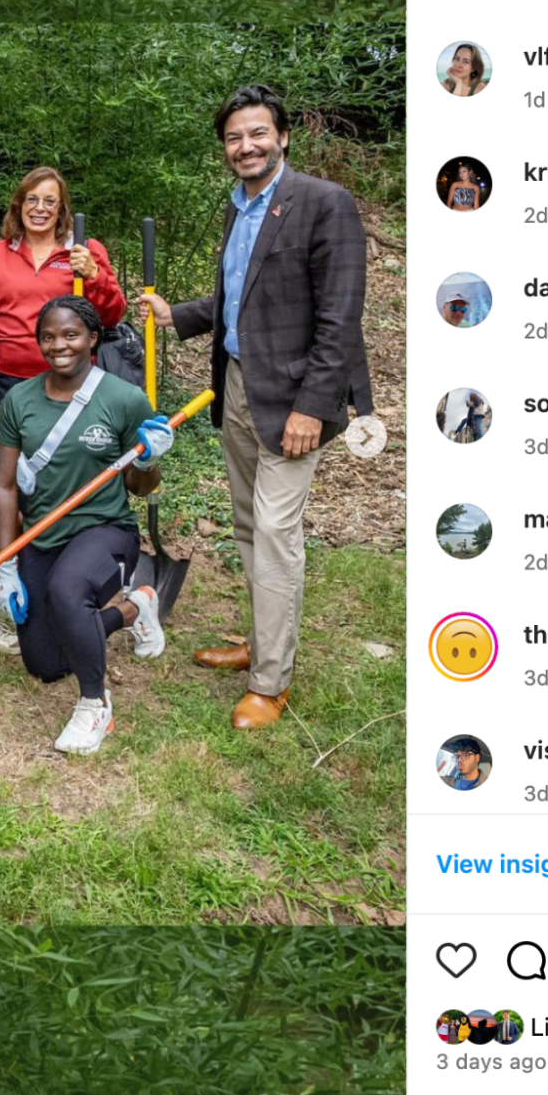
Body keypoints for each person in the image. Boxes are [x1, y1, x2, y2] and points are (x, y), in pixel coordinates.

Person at [140, 83, 371, 731]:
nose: (245, 146)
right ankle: (260, 642)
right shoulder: (240, 208)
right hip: (238, 385)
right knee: (246, 526)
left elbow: (339, 318)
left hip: (294, 399)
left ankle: (271, 683)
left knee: (273, 535)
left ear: (283, 136)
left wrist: (313, 406)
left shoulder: (322, 204)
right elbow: (241, 301)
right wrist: (178, 314)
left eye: (257, 133)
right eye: (234, 137)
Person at [0, 165, 127, 652]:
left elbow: (112, 314)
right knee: (21, 489)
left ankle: (72, 580)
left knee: (68, 485)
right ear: (18, 206)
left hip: (76, 389)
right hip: (14, 388)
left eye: (50, 200)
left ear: (61, 207)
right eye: (32, 199)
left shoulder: (84, 254)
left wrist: (97, 276)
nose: (40, 207)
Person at [0, 298, 169, 755]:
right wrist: (7, 563)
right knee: (46, 663)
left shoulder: (124, 398)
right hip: (43, 534)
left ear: (92, 339)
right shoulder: (20, 400)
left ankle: (94, 705)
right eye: (48, 336)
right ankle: (134, 609)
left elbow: (142, 486)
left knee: (68, 590)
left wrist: (148, 460)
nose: (59, 345)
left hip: (104, 529)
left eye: (70, 335)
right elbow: (6, 487)